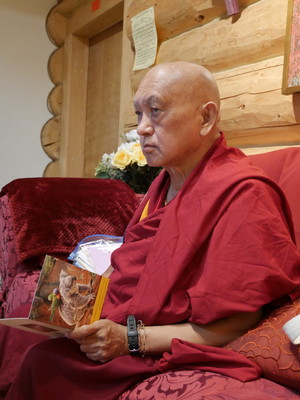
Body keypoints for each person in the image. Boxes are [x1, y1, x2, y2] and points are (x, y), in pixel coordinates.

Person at [5, 62, 300, 399]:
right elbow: (134, 269)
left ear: (205, 118)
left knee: (45, 362)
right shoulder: (163, 182)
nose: (141, 129)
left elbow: (236, 323)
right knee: (19, 332)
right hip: (126, 320)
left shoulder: (243, 192)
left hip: (164, 340)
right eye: (138, 114)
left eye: (155, 112)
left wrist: (129, 339)